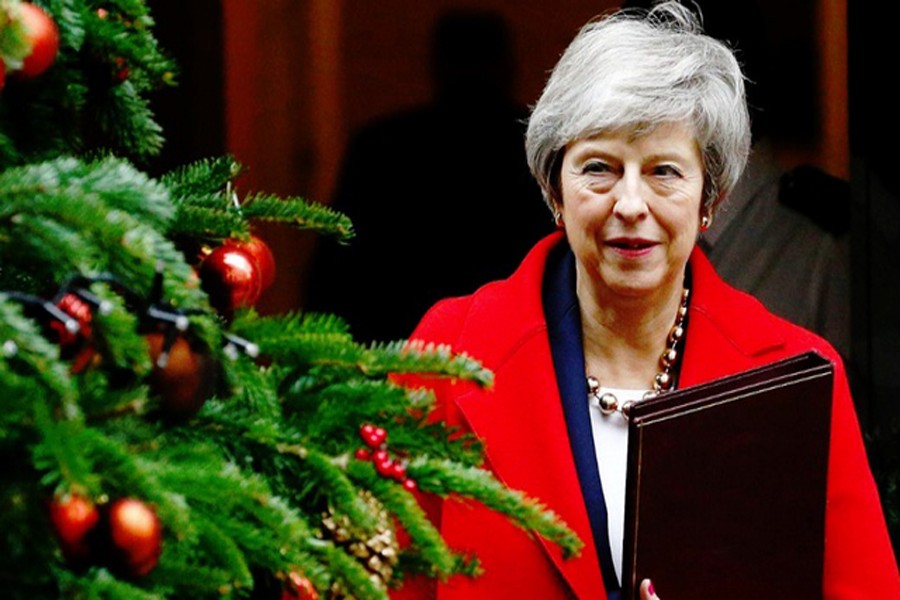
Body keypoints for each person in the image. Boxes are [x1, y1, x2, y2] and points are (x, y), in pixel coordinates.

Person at [398, 2, 899, 599]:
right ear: (554, 188)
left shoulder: (794, 378)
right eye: (600, 168)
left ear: (708, 197)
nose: (630, 203)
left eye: (664, 171)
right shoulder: (447, 356)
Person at [306, 9, 551, 344]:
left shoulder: (382, 146)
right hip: (518, 347)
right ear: (509, 65)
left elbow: (332, 282)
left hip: (396, 351)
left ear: (437, 65)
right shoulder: (542, 149)